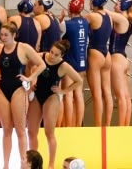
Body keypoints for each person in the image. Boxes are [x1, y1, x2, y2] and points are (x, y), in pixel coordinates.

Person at [0, 22, 44, 169]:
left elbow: (41, 64)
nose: (3, 37)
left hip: (18, 90)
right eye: (1, 35)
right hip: (2, 90)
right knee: (6, 129)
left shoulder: (24, 48)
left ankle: (24, 164)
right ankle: (6, 165)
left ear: (14, 35)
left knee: (20, 130)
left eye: (6, 35)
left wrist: (29, 78)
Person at [27, 40, 82, 169]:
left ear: (61, 56)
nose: (52, 56)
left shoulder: (64, 66)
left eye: (56, 54)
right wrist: (31, 80)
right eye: (51, 52)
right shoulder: (41, 56)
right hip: (37, 94)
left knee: (49, 132)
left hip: (51, 97)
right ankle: (33, 164)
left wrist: (64, 91)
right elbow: (28, 63)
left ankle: (51, 164)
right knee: (31, 131)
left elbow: (79, 81)